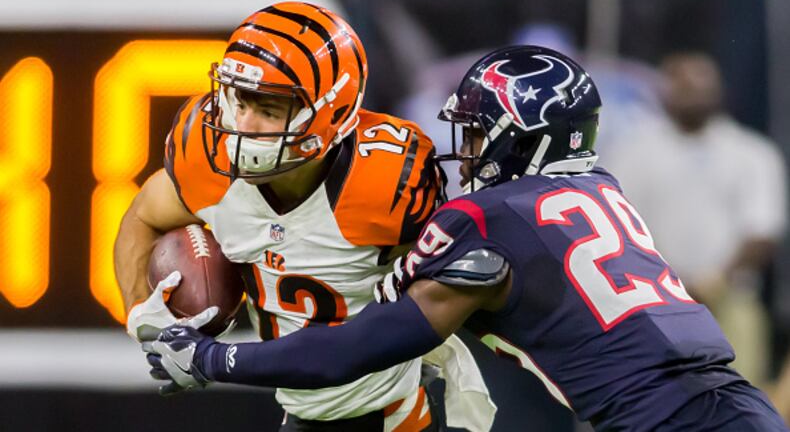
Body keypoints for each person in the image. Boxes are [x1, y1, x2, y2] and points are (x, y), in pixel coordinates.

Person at [147, 45, 789, 431]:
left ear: (522, 136)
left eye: (479, 133)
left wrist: (214, 359)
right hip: (737, 407)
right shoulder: (604, 190)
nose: (468, 151)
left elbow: (358, 347)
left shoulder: (489, 219)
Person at [116, 1, 470, 432]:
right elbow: (142, 216)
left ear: (332, 115)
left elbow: (431, 307)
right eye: (238, 100)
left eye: (268, 110)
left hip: (392, 415)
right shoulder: (207, 164)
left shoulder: (386, 186)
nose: (243, 125)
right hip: (301, 412)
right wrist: (140, 315)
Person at [605, 52, 788, 384]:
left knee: (739, 394)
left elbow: (763, 230)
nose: (695, 95)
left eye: (703, 86)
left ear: (719, 91)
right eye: (685, 86)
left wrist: (714, 280)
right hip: (650, 297)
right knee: (652, 398)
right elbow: (616, 223)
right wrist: (665, 278)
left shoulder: (751, 152)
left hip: (730, 294)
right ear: (665, 90)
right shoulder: (633, 151)